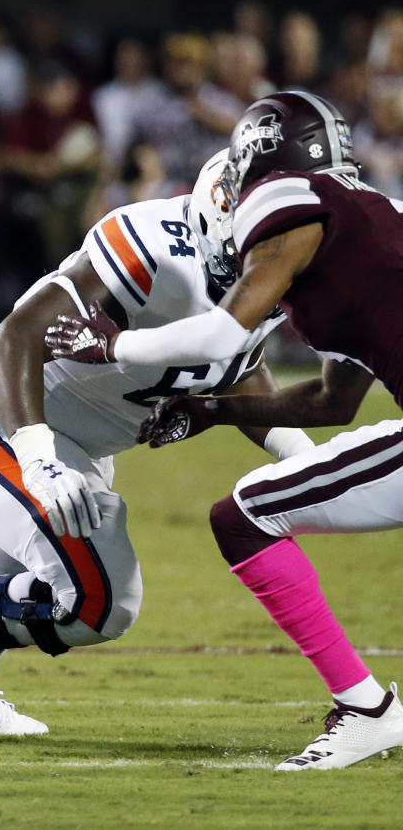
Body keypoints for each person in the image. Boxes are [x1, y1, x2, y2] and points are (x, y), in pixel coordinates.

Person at [0, 148, 309, 734]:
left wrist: (304, 461)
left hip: (80, 445)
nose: (281, 251)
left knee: (2, 585)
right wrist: (37, 459)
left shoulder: (263, 273)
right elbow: (19, 337)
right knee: (100, 598)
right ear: (224, 220)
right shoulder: (154, 245)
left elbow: (240, 369)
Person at [47, 90, 403, 770]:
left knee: (244, 519)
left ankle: (366, 710)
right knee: (253, 511)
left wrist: (112, 346)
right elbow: (332, 402)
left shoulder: (287, 195)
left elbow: (221, 331)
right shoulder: (367, 226)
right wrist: (214, 411)